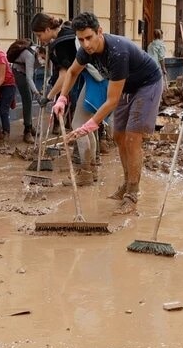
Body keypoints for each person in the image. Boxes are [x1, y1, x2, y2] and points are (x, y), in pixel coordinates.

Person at [55, 12, 164, 214]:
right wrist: (62, 98)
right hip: (127, 87)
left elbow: (112, 100)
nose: (86, 44)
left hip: (148, 84)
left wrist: (90, 125)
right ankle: (127, 182)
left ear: (99, 32)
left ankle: (132, 194)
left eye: (89, 37)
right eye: (81, 39)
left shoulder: (117, 52)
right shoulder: (85, 51)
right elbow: (71, 72)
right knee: (118, 136)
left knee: (132, 138)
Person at [34, 13, 96, 185]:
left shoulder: (61, 44)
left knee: (79, 126)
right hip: (95, 80)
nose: (40, 40)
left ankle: (85, 173)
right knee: (88, 126)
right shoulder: (69, 32)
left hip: (87, 82)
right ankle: (92, 169)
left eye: (40, 35)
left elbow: (63, 77)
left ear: (47, 29)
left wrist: (49, 97)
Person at [9, 38, 41, 143]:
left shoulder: (45, 53)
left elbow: (48, 72)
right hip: (19, 72)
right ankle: (27, 131)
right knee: (27, 99)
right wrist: (37, 92)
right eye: (42, 58)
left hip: (30, 72)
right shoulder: (30, 55)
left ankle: (30, 125)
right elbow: (28, 78)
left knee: (30, 99)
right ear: (38, 53)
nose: (43, 61)